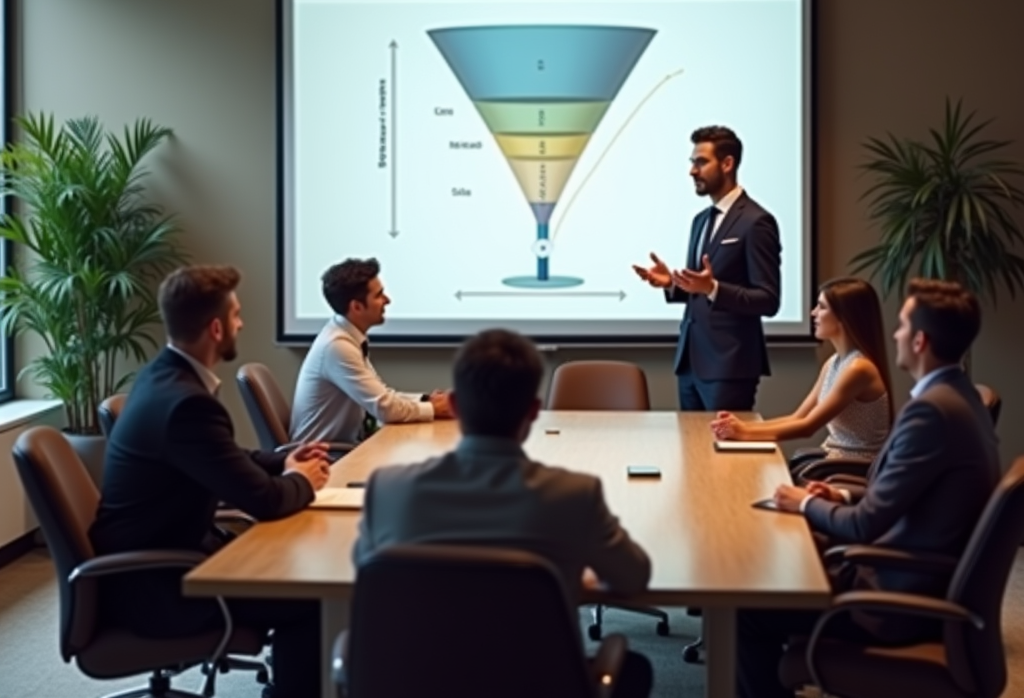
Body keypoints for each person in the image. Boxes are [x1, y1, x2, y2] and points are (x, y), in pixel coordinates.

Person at [353, 328, 654, 697]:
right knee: (634, 668)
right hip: (536, 685)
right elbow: (634, 576)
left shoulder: (388, 489)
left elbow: (363, 574)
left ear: (456, 406)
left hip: (412, 682)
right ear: (533, 411)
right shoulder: (574, 494)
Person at [736, 279, 1001, 698]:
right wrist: (840, 494)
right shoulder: (957, 399)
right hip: (909, 570)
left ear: (919, 340)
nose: (893, 334)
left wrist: (804, 502)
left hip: (891, 601)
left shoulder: (931, 413)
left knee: (746, 607)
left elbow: (865, 526)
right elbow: (897, 496)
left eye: (901, 326)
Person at [89, 265, 330, 698]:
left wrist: (280, 460)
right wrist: (303, 479)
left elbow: (221, 456)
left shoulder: (163, 378)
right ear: (217, 328)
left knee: (296, 569)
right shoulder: (185, 403)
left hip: (162, 561)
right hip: (160, 587)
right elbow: (267, 502)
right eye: (237, 314)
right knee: (311, 597)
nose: (242, 322)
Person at [633, 125, 781, 412]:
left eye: (701, 162)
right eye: (692, 163)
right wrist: (672, 284)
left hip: (730, 367)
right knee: (690, 452)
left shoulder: (757, 222)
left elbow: (768, 299)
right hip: (691, 364)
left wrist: (713, 288)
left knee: (724, 456)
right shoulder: (700, 220)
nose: (692, 171)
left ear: (727, 164)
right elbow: (699, 287)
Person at [711, 277, 893, 466]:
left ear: (844, 317)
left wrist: (743, 432)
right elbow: (798, 417)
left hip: (853, 467)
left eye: (821, 307)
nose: (813, 313)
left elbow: (807, 427)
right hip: (834, 460)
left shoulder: (858, 368)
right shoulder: (834, 362)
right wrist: (741, 426)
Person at [290, 257, 453, 443]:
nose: (387, 300)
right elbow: (385, 408)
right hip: (326, 459)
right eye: (379, 295)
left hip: (340, 452)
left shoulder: (346, 336)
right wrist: (434, 408)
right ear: (357, 307)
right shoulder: (337, 346)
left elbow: (381, 396)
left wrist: (426, 400)